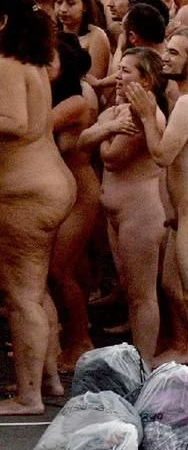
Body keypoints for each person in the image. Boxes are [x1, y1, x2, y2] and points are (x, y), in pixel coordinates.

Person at [124, 26, 188, 385]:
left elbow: (162, 155)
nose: (165, 58)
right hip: (186, 211)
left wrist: (147, 115)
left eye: (174, 53)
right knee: (173, 287)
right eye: (166, 50)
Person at [81, 47, 165, 364]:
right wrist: (108, 128)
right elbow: (82, 141)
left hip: (140, 213)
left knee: (143, 294)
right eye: (119, 70)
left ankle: (144, 364)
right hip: (118, 214)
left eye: (126, 71)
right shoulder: (119, 113)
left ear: (146, 80)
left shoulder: (142, 116)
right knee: (130, 289)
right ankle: (139, 360)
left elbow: (110, 157)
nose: (118, 77)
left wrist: (104, 129)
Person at [48, 35, 100, 372]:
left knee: (60, 270)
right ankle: (64, 337)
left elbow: (36, 127)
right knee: (68, 270)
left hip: (82, 193)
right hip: (61, 193)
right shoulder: (55, 96)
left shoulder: (76, 102)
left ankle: (81, 340)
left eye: (48, 60)